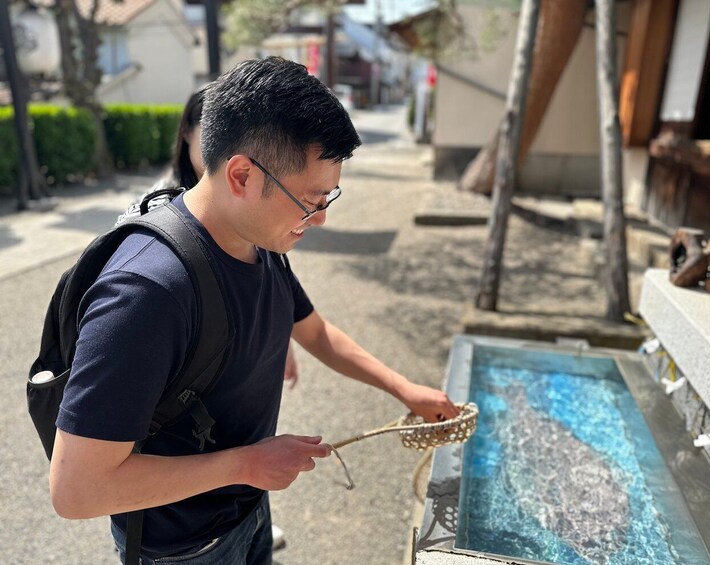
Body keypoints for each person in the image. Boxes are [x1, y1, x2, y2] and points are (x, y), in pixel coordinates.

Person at [49, 57, 458, 564]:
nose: (321, 219)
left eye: (329, 197)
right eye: (311, 200)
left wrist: (403, 389)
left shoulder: (259, 240)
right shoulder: (146, 292)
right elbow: (77, 490)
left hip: (247, 510)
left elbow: (315, 332)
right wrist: (245, 465)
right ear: (241, 175)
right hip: (182, 548)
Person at [117, 84, 300, 387]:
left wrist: (279, 337)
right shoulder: (158, 207)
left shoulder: (245, 203)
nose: (226, 144)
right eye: (212, 129)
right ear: (187, 132)